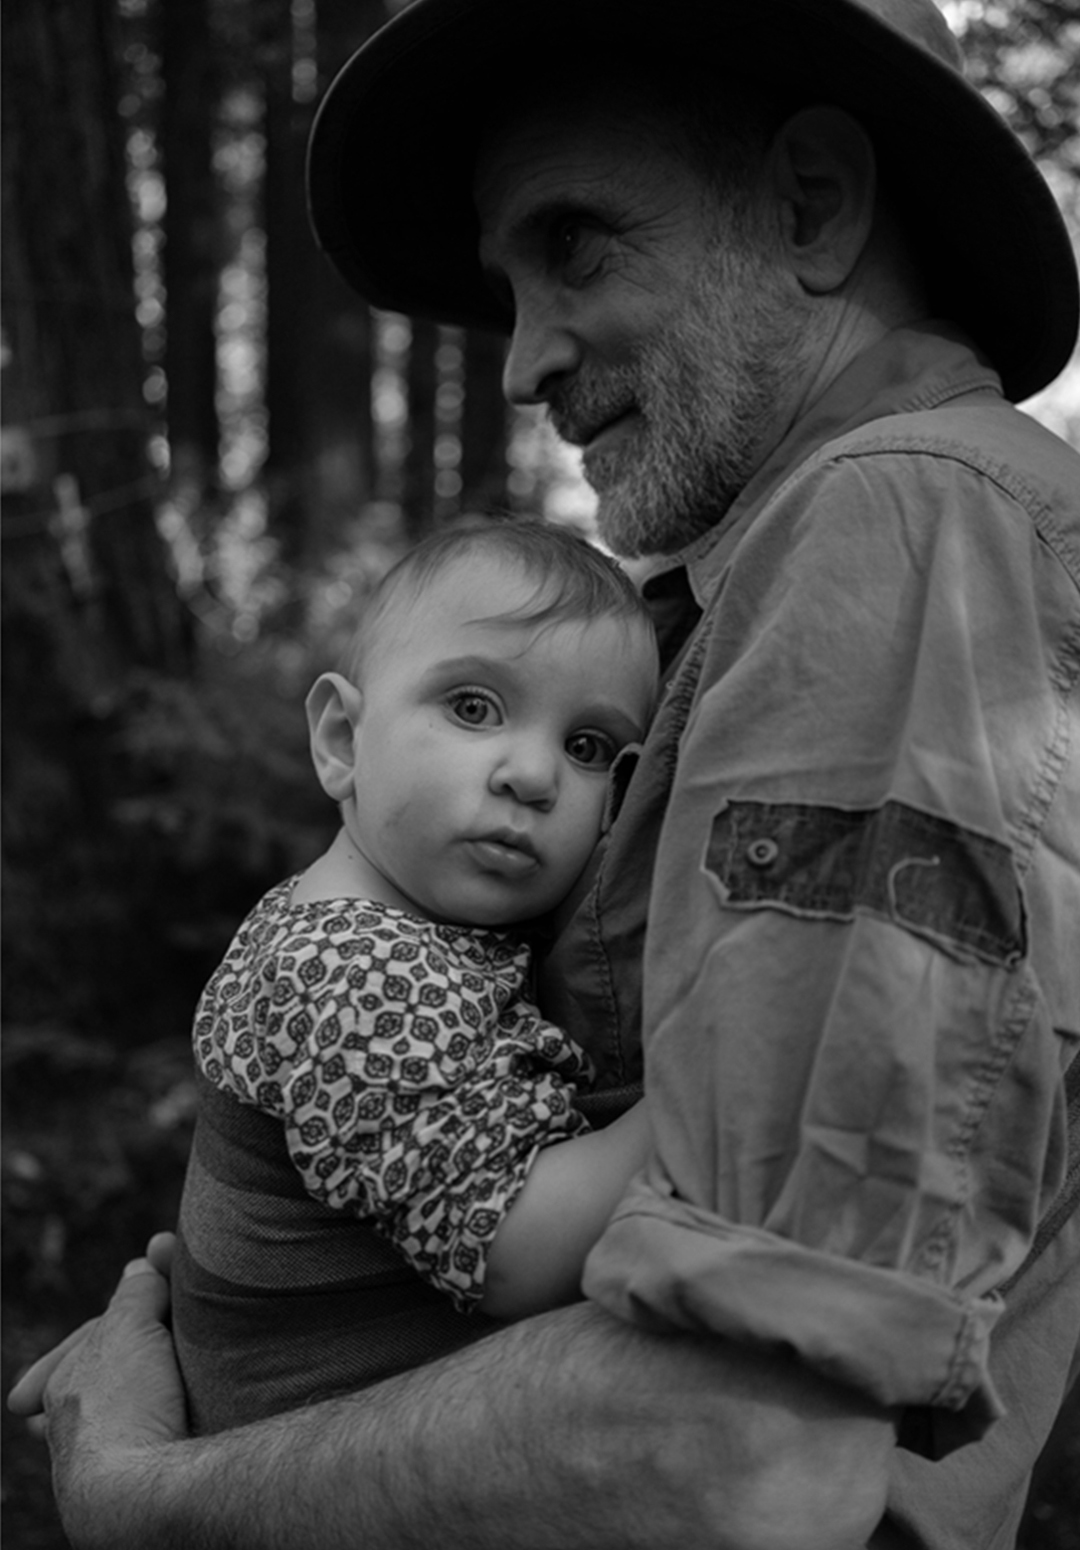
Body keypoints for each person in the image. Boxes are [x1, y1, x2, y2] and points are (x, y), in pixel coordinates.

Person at [10, 0, 1080, 1545]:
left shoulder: (899, 527)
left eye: (573, 242)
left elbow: (749, 1446)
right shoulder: (741, 590)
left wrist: (154, 1493)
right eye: (507, 288)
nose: (519, 364)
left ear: (811, 204)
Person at [172, 517, 657, 1432]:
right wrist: (713, 1089)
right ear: (342, 740)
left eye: (589, 747)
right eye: (473, 707)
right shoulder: (353, 969)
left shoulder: (389, 923)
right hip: (306, 1462)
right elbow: (514, 1246)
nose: (534, 776)